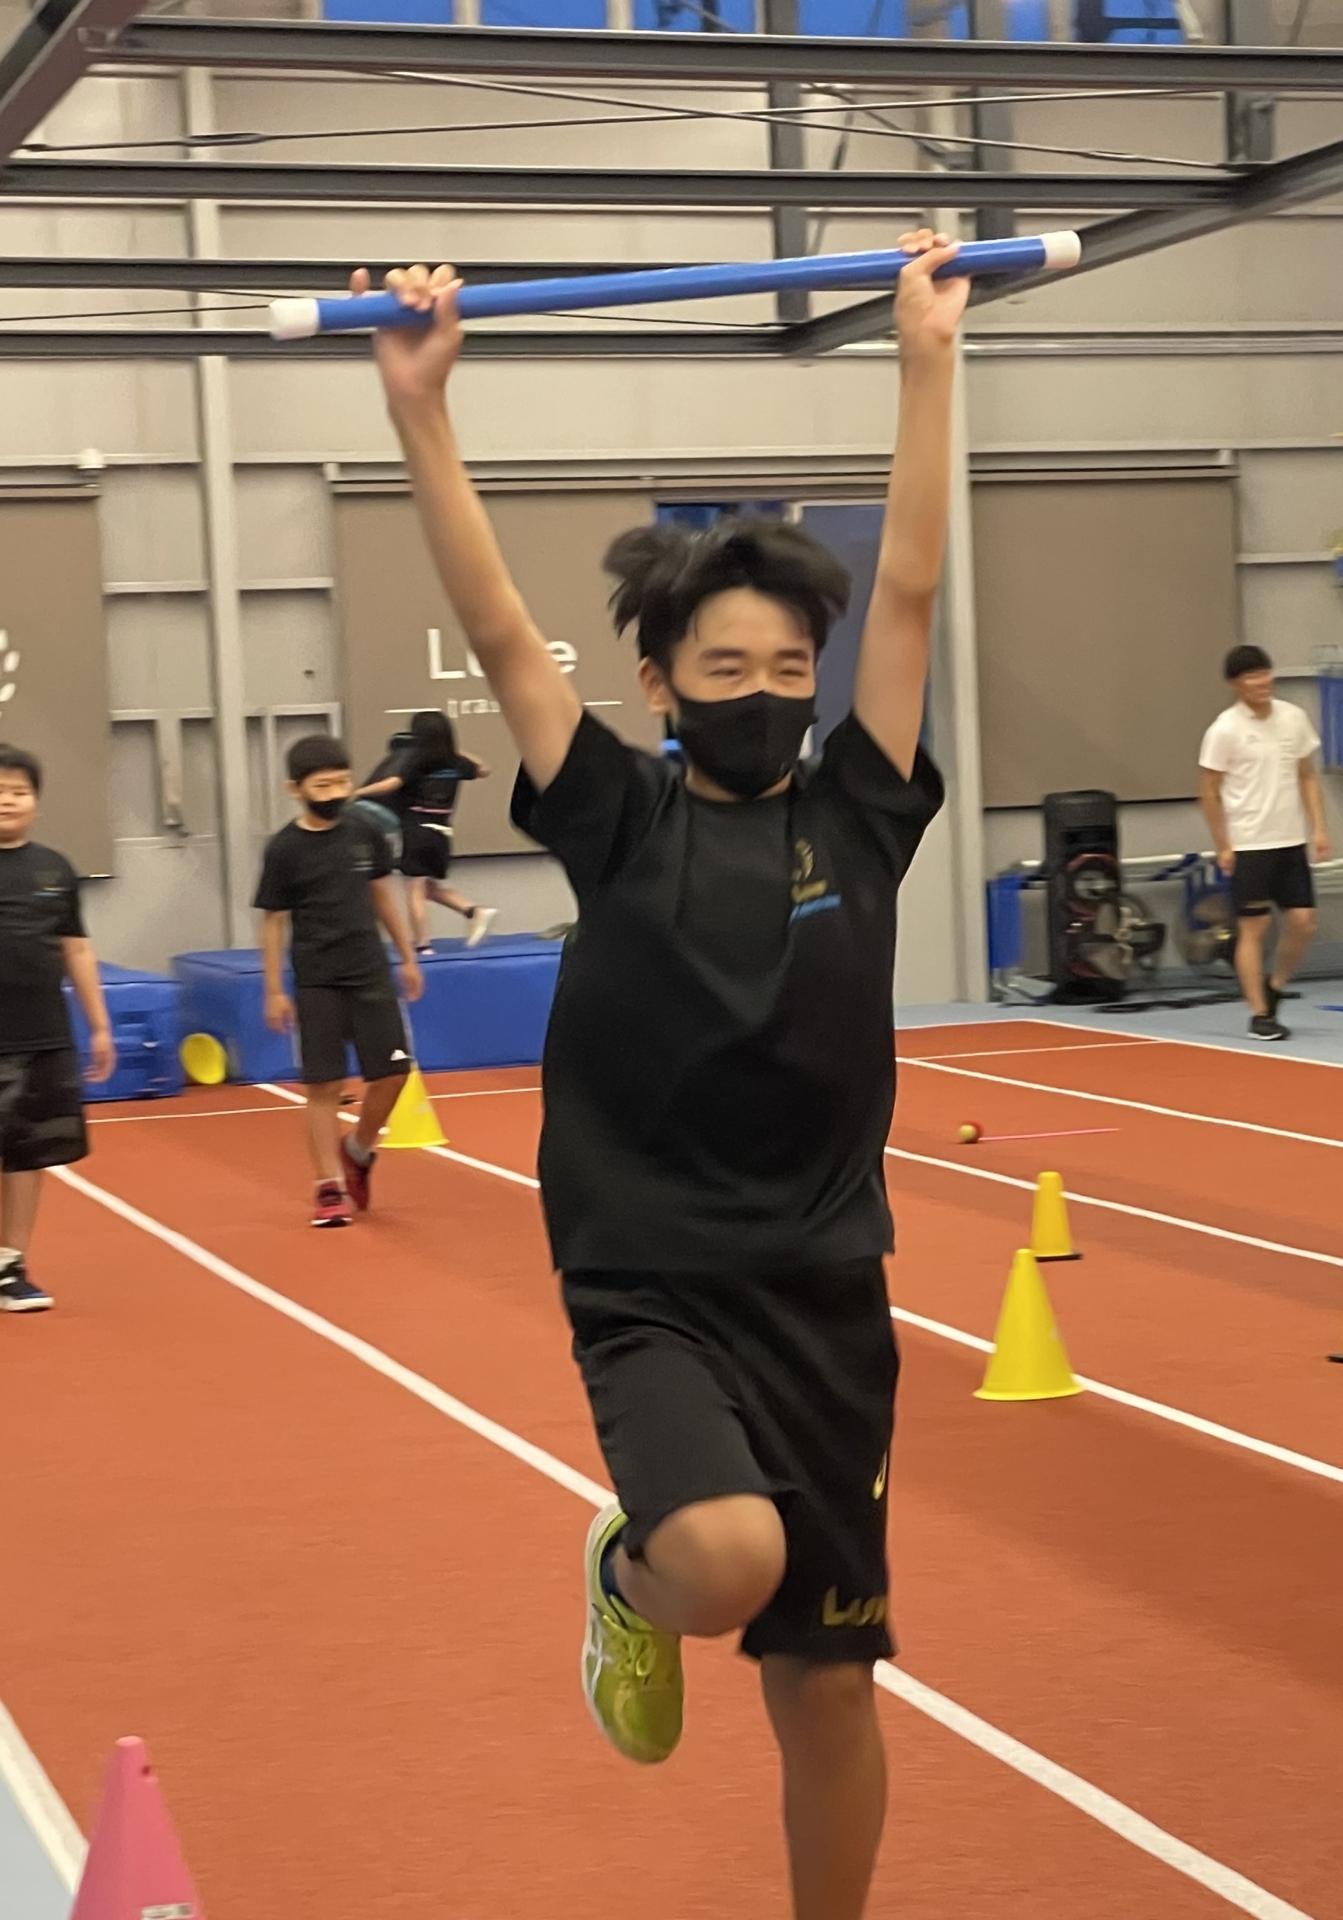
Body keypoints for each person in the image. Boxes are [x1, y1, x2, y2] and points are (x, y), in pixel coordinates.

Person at [365, 229, 962, 1920]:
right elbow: (498, 630)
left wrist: (927, 362)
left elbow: (908, 593)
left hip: (826, 1290)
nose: (766, 695)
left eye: (788, 672)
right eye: (726, 672)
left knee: (828, 1687)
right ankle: (627, 1578)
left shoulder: (859, 811)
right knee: (719, 1559)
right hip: (654, 1280)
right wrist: (422, 410)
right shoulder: (615, 811)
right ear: (659, 687)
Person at [255, 734, 425, 1228]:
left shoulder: (364, 831)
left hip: (369, 970)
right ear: (295, 789)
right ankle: (327, 1187)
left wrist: (407, 956)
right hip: (317, 979)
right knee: (324, 1084)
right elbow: (273, 921)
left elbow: (382, 895)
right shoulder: (284, 849)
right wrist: (273, 989)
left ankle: (358, 1150)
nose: (334, 793)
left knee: (393, 1075)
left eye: (342, 783)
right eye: (322, 786)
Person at [0, 746, 115, 1313]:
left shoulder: (54, 869)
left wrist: (99, 1026)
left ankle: (11, 1265)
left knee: (29, 1154)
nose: (7, 800)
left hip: (42, 1034)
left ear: (37, 804)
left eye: (18, 791)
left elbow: (77, 949)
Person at [1197, 642, 1330, 1042]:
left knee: (1303, 922)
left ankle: (1275, 985)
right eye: (1251, 676)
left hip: (1290, 840)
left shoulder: (1293, 718)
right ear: (1235, 684)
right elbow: (1208, 791)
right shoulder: (1224, 729)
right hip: (1248, 843)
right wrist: (1223, 843)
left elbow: (1307, 775)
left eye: (1265, 673)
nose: (1261, 682)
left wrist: (1319, 828)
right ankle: (1259, 1014)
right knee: (1254, 925)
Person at [357, 709, 498, 952]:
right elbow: (484, 769)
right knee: (427, 889)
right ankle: (474, 912)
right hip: (442, 834)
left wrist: (358, 792)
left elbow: (392, 783)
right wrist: (455, 751)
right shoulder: (456, 763)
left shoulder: (416, 761)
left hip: (418, 830)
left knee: (414, 890)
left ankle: (423, 946)